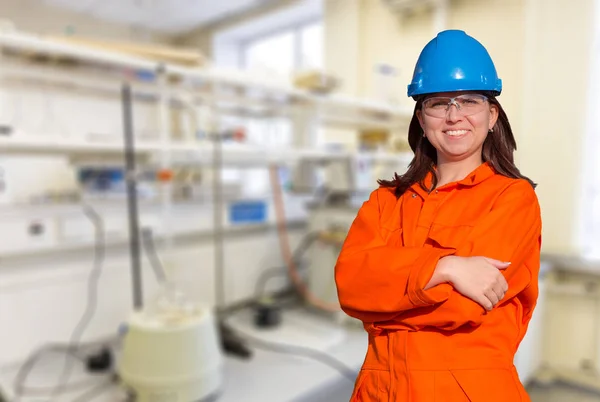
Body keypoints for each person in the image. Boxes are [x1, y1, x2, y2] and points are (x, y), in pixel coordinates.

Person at [334, 30, 542, 402]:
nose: (454, 116)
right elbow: (349, 287)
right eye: (439, 103)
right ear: (421, 117)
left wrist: (381, 301)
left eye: (469, 101)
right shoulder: (385, 201)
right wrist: (445, 267)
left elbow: (466, 304)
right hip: (380, 391)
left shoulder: (512, 199)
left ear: (492, 114)